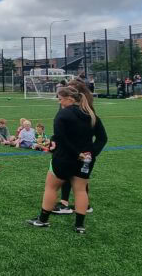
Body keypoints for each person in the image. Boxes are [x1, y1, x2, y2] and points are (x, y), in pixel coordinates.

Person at [27, 86, 103, 234]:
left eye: (60, 99)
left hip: (64, 158)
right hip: (85, 161)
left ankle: (42, 220)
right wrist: (91, 154)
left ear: (69, 99)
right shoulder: (91, 114)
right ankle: (79, 226)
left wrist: (76, 153)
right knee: (81, 190)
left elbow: (61, 138)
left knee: (51, 187)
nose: (59, 101)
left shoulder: (63, 114)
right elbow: (102, 138)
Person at [53, 80, 108, 215]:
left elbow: (100, 136)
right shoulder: (66, 108)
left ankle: (73, 207)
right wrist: (54, 140)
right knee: (75, 178)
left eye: (71, 89)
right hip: (73, 151)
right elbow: (61, 132)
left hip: (74, 152)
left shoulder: (86, 110)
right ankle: (69, 207)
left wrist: (91, 153)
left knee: (75, 181)